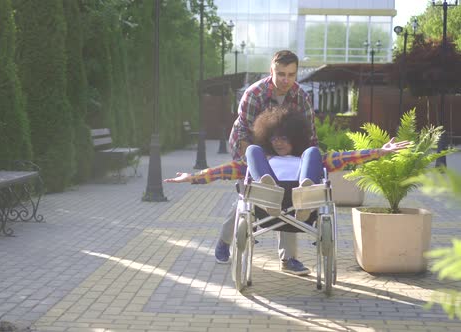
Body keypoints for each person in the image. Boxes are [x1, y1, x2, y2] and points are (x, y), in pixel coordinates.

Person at [165, 107, 411, 275]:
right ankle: (269, 187)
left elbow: (345, 158)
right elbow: (222, 171)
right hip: (265, 201)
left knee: (316, 153)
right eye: (274, 138)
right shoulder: (264, 156)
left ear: (295, 137)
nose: (278, 142)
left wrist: (380, 151)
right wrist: (193, 177)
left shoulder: (307, 157)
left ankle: (303, 196)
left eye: (284, 137)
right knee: (250, 151)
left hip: (301, 201)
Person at [223, 50, 317, 275]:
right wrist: (260, 161)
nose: (286, 80)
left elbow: (309, 135)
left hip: (287, 148)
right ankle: (225, 240)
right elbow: (245, 132)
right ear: (271, 70)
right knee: (250, 195)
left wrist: (306, 163)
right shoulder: (254, 93)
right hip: (252, 146)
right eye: (281, 74)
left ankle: (289, 258)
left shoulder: (301, 97)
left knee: (289, 193)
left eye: (291, 75)